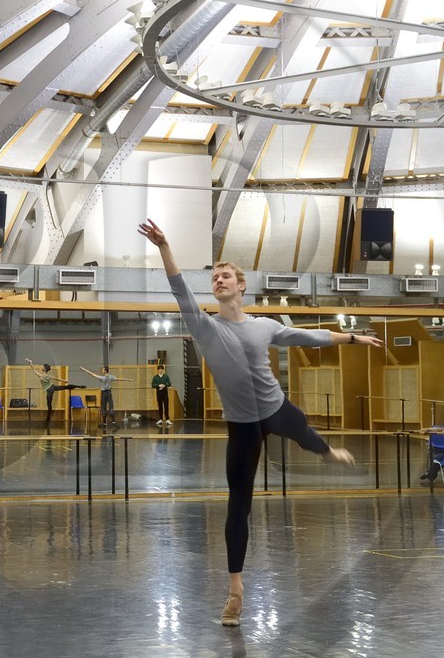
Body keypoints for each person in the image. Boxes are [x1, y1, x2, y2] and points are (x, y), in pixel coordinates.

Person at [138, 219, 383, 627]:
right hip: (242, 426)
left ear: (241, 286)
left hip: (275, 409)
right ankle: (235, 590)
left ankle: (325, 451)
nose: (218, 279)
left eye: (226, 275)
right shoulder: (204, 327)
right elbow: (179, 289)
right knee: (239, 505)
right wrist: (165, 246)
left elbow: (313, 336)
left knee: (302, 428)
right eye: (214, 277)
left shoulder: (264, 326)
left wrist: (354, 338)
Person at [24, 359, 78, 425]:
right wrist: (30, 363)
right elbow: (34, 370)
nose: (42, 367)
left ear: (45, 369)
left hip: (50, 390)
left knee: (49, 405)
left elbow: (56, 378)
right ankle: (79, 386)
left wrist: (65, 381)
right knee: (64, 387)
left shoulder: (43, 376)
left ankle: (48, 419)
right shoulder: (43, 375)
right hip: (52, 387)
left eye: (43, 367)